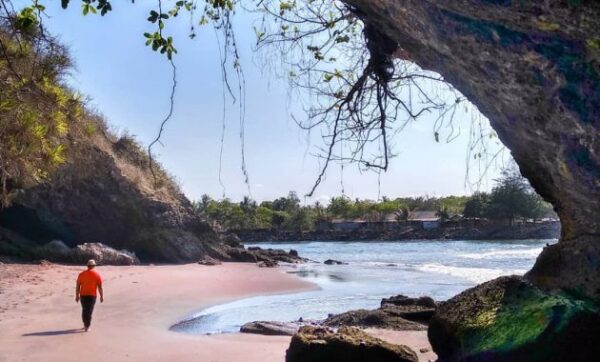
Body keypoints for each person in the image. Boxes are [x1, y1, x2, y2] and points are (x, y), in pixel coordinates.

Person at [75, 259, 104, 332]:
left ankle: (85, 324)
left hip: (83, 295)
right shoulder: (97, 275)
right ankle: (87, 326)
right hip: (92, 296)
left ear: (87, 266)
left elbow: (78, 286)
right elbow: (100, 287)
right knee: (89, 311)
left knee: (85, 310)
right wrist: (101, 296)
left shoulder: (81, 274)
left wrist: (77, 296)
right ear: (94, 266)